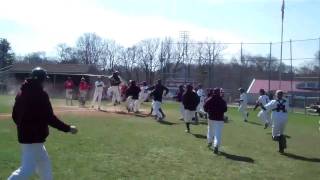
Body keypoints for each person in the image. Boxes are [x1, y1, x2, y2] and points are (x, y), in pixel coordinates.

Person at [8, 67, 78, 180]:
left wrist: (23, 126)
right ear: (41, 79)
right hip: (33, 138)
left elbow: (14, 115)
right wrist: (68, 128)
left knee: (44, 165)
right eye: (44, 79)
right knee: (27, 169)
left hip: (29, 137)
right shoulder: (40, 94)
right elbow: (49, 118)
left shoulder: (21, 91)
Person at [204, 88, 228, 154]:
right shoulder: (222, 101)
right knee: (218, 133)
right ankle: (216, 146)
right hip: (219, 119)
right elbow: (225, 109)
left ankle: (209, 142)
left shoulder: (209, 99)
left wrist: (209, 111)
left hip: (211, 117)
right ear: (219, 93)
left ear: (213, 92)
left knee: (210, 130)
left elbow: (205, 108)